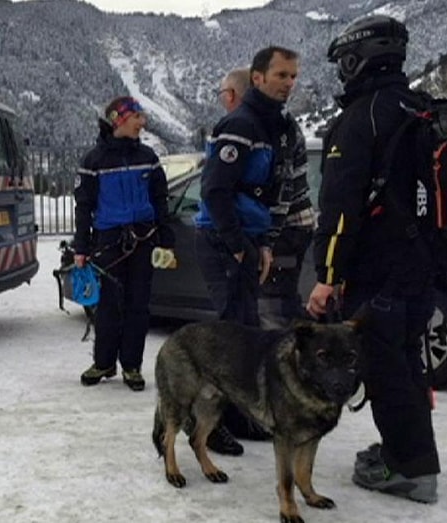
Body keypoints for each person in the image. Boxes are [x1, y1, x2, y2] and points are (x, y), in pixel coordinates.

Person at [306, 14, 440, 504]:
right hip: (423, 266)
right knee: (409, 364)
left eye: (345, 61)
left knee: (385, 371)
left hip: (379, 269)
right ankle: (412, 454)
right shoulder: (418, 108)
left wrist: (327, 275)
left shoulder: (362, 117)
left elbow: (340, 207)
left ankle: (410, 470)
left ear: (356, 60)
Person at [192, 47, 302, 455]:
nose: (288, 83)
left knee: (247, 334)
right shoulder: (241, 124)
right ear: (258, 78)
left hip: (250, 241)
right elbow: (214, 190)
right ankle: (207, 423)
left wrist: (265, 245)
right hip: (223, 240)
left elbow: (275, 193)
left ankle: (239, 417)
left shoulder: (277, 127)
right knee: (226, 338)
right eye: (281, 75)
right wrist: (237, 245)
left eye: (293, 76)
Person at [72, 96, 174, 392]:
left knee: (138, 303)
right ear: (119, 119)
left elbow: (160, 199)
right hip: (109, 240)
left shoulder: (148, 157)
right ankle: (104, 362)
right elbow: (83, 207)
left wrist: (165, 237)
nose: (143, 122)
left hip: (143, 237)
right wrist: (81, 247)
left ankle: (131, 365)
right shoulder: (93, 161)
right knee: (108, 304)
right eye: (137, 117)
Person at [218, 67, 316, 329]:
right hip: (289, 225)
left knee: (272, 308)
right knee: (273, 305)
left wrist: (267, 242)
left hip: (283, 229)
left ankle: (281, 353)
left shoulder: (269, 127)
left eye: (222, 95)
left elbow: (281, 190)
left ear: (233, 94)